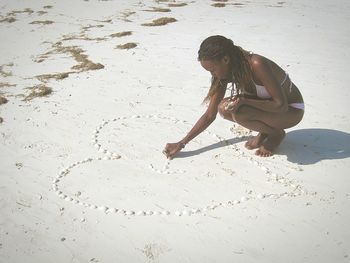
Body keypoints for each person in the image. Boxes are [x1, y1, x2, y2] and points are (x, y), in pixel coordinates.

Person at [163, 35, 304, 158]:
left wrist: (244, 100)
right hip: (271, 108)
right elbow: (209, 115)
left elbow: (280, 104)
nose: (212, 74)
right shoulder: (223, 74)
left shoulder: (256, 64)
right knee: (224, 108)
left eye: (212, 70)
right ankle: (266, 131)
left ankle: (275, 134)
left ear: (225, 59)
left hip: (291, 110)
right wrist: (182, 143)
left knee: (240, 112)